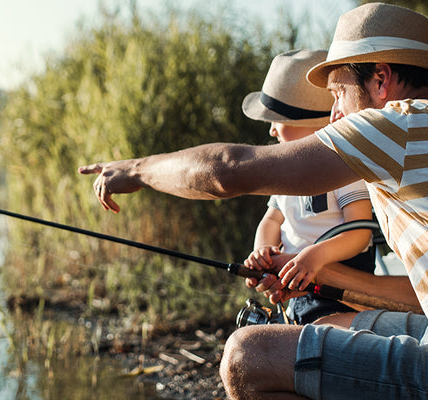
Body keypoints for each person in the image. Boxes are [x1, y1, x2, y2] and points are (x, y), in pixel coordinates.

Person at [78, 3, 428, 398]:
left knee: (249, 355)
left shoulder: (400, 126)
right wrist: (320, 278)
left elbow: (229, 169)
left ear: (381, 80)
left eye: (338, 93)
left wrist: (138, 170)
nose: (334, 115)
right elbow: (418, 298)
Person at [241, 49, 374, 324]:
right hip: (296, 287)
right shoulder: (286, 174)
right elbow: (271, 220)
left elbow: (360, 233)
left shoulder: (345, 167)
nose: (271, 131)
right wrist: (262, 251)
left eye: (278, 121)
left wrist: (314, 257)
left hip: (338, 289)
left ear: (315, 126)